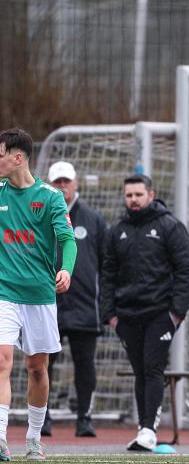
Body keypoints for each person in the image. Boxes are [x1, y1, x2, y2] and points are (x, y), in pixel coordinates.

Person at [101, 174, 189, 452]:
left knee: (153, 368)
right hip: (127, 315)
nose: (133, 200)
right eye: (129, 195)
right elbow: (107, 274)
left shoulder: (170, 227)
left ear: (151, 195)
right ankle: (144, 428)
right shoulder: (116, 231)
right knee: (140, 371)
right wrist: (111, 315)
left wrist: (176, 313)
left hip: (160, 314)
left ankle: (148, 430)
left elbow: (186, 271)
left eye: (138, 195)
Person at [0, 128, 76, 461]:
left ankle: (33, 439)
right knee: (2, 360)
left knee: (37, 368)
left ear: (18, 157)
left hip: (41, 296)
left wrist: (66, 269)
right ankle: (0, 439)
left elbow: (68, 240)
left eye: (0, 153)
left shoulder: (49, 197)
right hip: (4, 291)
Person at [42, 161, 107, 438]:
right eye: (57, 182)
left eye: (66, 181)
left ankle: (84, 418)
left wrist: (104, 302)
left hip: (84, 306)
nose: (62, 186)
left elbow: (106, 263)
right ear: (49, 184)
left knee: (85, 366)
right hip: (46, 304)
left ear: (76, 183)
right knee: (42, 364)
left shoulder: (93, 220)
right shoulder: (39, 216)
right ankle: (42, 418)